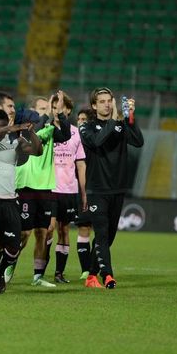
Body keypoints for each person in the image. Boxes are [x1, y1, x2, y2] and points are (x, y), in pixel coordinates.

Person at [79, 87, 144, 289]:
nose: (107, 104)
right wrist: (115, 120)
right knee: (102, 234)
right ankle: (108, 276)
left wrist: (130, 117)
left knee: (108, 237)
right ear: (94, 105)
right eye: (102, 101)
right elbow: (97, 141)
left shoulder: (120, 125)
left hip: (117, 188)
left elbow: (138, 141)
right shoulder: (86, 127)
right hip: (97, 189)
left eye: (109, 101)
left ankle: (91, 275)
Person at [0, 109, 42, 294]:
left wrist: (31, 133)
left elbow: (38, 151)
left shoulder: (15, 144)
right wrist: (11, 128)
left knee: (13, 248)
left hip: (10, 202)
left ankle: (0, 272)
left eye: (1, 127)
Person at [9, 91, 71, 287]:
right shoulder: (24, 128)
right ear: (32, 111)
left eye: (48, 108)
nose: (47, 111)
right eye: (43, 108)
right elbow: (35, 129)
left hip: (45, 186)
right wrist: (49, 114)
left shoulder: (51, 128)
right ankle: (9, 262)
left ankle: (37, 276)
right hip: (25, 185)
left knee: (43, 232)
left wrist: (59, 114)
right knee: (23, 233)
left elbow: (66, 135)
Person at [50, 93, 86, 283]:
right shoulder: (45, 129)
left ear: (68, 110)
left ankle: (59, 273)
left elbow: (80, 164)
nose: (57, 110)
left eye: (61, 106)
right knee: (48, 229)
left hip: (69, 189)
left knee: (64, 230)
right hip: (49, 188)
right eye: (54, 107)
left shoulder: (76, 133)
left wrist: (83, 192)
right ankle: (38, 271)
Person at [74, 108, 96, 280]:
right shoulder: (73, 140)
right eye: (79, 119)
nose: (80, 122)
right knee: (83, 227)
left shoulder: (94, 140)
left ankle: (96, 266)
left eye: (84, 119)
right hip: (80, 189)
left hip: (97, 189)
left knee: (101, 232)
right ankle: (86, 270)